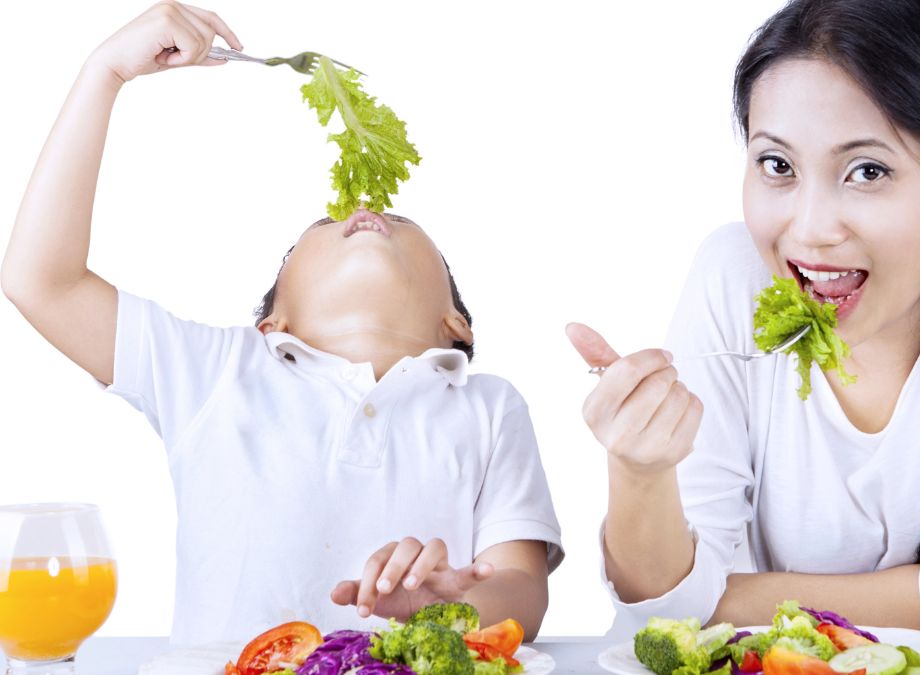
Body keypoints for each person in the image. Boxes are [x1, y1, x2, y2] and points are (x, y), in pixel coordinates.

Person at [567, 0, 920, 652]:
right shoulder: (734, 274)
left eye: (867, 171)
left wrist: (723, 597)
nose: (811, 230)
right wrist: (640, 473)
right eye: (777, 165)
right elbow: (666, 610)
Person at [2, 1, 561, 645]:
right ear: (275, 324)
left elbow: (523, 591)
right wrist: (103, 74)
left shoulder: (488, 407)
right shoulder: (216, 372)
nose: (361, 211)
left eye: (400, 223)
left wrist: (450, 606)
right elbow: (40, 281)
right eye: (324, 226)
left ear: (454, 325)